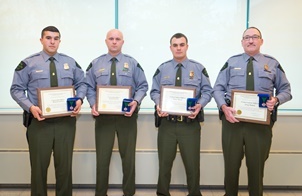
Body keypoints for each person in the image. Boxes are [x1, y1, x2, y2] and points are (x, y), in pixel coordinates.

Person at [213, 27, 292, 196]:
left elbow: (286, 90)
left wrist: (276, 100)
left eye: (254, 37)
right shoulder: (231, 62)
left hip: (260, 127)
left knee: (256, 169)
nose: (250, 40)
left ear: (261, 41)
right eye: (247, 37)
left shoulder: (272, 63)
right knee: (231, 167)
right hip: (232, 123)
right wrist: (223, 107)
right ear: (242, 42)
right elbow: (218, 88)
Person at [10, 26, 87, 196]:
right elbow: (16, 89)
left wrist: (80, 99)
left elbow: (82, 84)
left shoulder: (71, 62)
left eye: (56, 38)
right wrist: (30, 107)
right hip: (39, 123)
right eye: (48, 38)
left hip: (65, 123)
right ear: (41, 40)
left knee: (64, 167)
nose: (52, 41)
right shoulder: (29, 63)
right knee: (38, 168)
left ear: (60, 40)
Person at [85, 29, 148, 196]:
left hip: (126, 118)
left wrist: (136, 101)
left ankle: (129, 192)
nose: (114, 41)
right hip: (103, 118)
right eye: (111, 39)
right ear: (106, 41)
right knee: (102, 158)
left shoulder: (132, 63)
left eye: (117, 39)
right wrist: (93, 103)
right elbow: (88, 87)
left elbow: (143, 86)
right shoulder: (95, 63)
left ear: (122, 42)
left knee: (128, 158)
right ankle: (100, 193)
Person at [150, 33, 213, 196]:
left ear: (187, 46)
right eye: (175, 45)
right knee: (164, 164)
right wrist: (159, 103)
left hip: (189, 125)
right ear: (170, 47)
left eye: (182, 44)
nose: (178, 48)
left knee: (192, 165)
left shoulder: (198, 68)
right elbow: (154, 91)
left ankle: (194, 193)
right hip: (167, 125)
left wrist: (200, 105)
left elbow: (207, 91)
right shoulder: (162, 68)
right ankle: (162, 193)